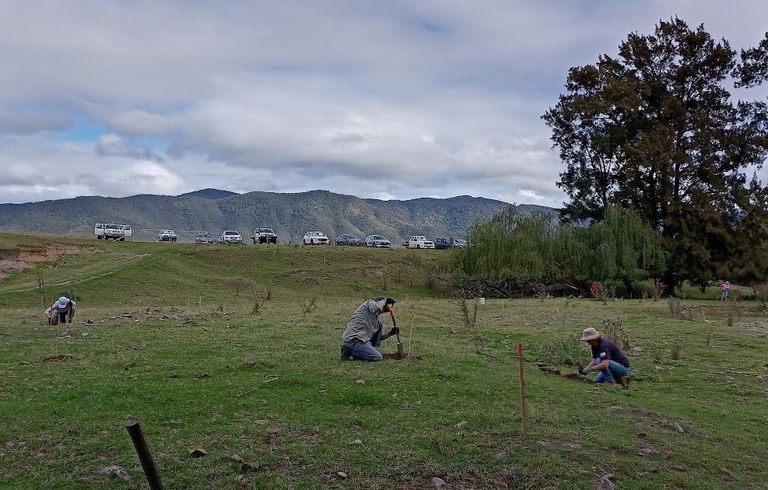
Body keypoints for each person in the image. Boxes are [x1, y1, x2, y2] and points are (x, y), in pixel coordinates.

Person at [340, 297, 398, 361]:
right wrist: (385, 300)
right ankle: (352, 355)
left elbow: (378, 338)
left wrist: (390, 333)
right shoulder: (369, 303)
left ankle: (349, 349)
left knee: (379, 327)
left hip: (362, 340)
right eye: (383, 308)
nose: (382, 311)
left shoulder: (377, 322)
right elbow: (375, 307)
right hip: (354, 338)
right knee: (378, 357)